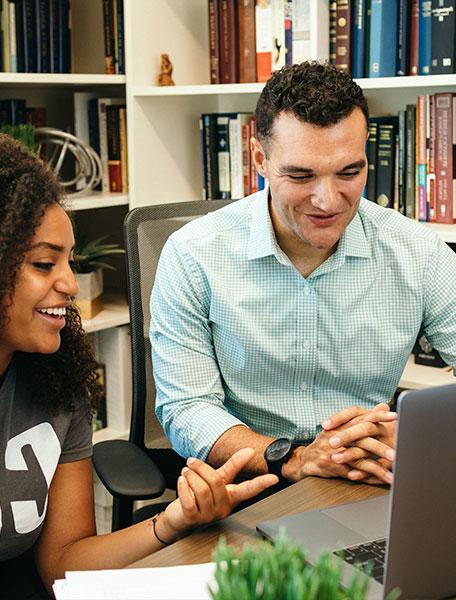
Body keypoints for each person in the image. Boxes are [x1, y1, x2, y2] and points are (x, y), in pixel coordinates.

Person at [0, 131, 278, 600]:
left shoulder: (57, 378)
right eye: (43, 264)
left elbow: (64, 564)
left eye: (69, 261)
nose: (71, 285)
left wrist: (174, 519)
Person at [150, 62, 456, 489]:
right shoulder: (193, 254)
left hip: (368, 477)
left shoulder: (420, 255)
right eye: (301, 175)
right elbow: (186, 409)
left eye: (350, 172)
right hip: (248, 484)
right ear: (260, 159)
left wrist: (415, 435)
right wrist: (293, 459)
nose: (328, 201)